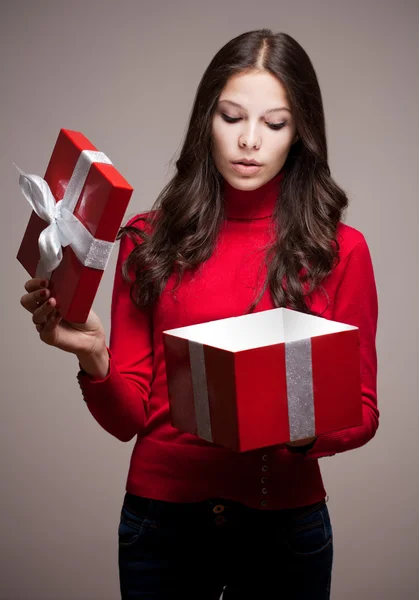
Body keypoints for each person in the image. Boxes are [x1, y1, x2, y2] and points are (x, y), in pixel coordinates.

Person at [20, 29, 379, 600]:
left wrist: (300, 423)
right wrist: (93, 354)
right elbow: (127, 419)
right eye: (232, 117)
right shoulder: (146, 238)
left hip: (284, 526)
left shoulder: (341, 249)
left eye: (275, 124)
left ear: (301, 133)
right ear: (205, 120)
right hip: (162, 524)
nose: (249, 141)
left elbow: (361, 410)